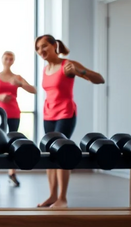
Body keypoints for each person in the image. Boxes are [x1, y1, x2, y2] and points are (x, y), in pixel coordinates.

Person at [35, 35, 105, 208]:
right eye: (37, 48)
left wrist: (81, 72)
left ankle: (62, 198)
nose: (41, 51)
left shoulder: (67, 65)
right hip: (48, 115)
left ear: (53, 46)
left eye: (44, 46)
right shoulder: (45, 69)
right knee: (49, 155)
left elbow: (99, 79)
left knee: (62, 153)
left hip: (65, 114)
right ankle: (52, 196)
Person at [0, 51, 36, 188]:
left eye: (11, 58)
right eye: (6, 58)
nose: (8, 60)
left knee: (12, 143)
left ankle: (12, 174)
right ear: (2, 59)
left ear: (13, 61)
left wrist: (20, 84)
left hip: (13, 113)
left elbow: (34, 90)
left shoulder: (17, 77)